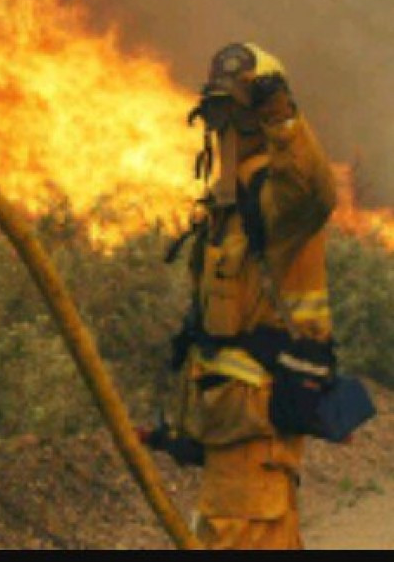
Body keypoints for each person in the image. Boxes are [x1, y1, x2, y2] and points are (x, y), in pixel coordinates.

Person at [157, 42, 337, 549]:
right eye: (217, 114)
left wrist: (282, 118)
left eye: (236, 114)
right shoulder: (229, 207)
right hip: (231, 431)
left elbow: (315, 191)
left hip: (257, 430)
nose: (225, 129)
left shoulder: (275, 203)